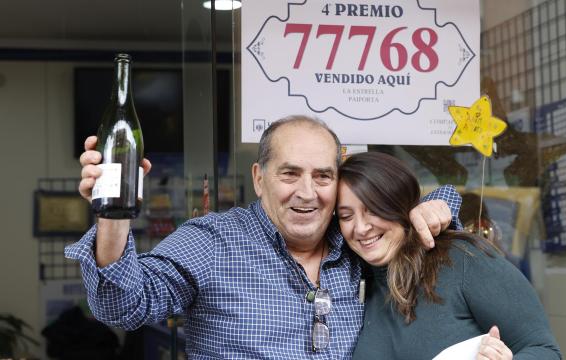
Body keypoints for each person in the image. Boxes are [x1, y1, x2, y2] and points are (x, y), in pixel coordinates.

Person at [66, 115, 462, 359]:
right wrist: (114, 213)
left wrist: (436, 206)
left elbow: (435, 205)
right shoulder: (213, 242)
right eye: (290, 174)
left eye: (322, 176)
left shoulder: (357, 242)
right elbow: (121, 307)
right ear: (259, 178)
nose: (307, 192)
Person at [337, 152, 562, 360]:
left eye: (374, 210)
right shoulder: (353, 281)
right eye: (346, 216)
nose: (360, 228)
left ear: (401, 207)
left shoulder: (462, 259)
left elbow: (545, 351)